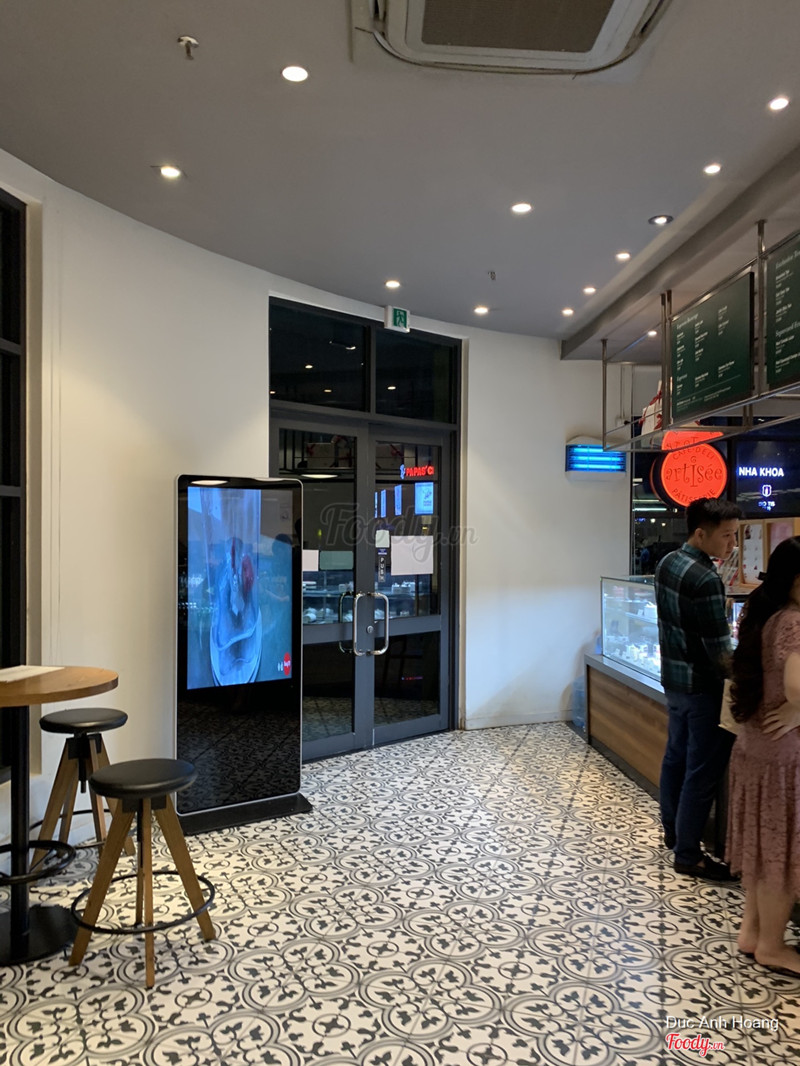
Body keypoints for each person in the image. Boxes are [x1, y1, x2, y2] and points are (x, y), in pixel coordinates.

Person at [655, 497, 742, 880]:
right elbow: (720, 652)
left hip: (674, 681)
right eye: (727, 536)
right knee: (701, 771)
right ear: (701, 533)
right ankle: (689, 855)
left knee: (675, 757)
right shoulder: (706, 578)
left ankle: (673, 831)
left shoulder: (667, 562)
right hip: (703, 689)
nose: (733, 545)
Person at [727, 536, 800, 976]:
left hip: (754, 746)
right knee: (779, 855)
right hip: (782, 757)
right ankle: (772, 945)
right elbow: (796, 688)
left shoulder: (762, 611)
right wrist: (797, 709)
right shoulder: (793, 621)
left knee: (761, 847)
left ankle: (752, 932)